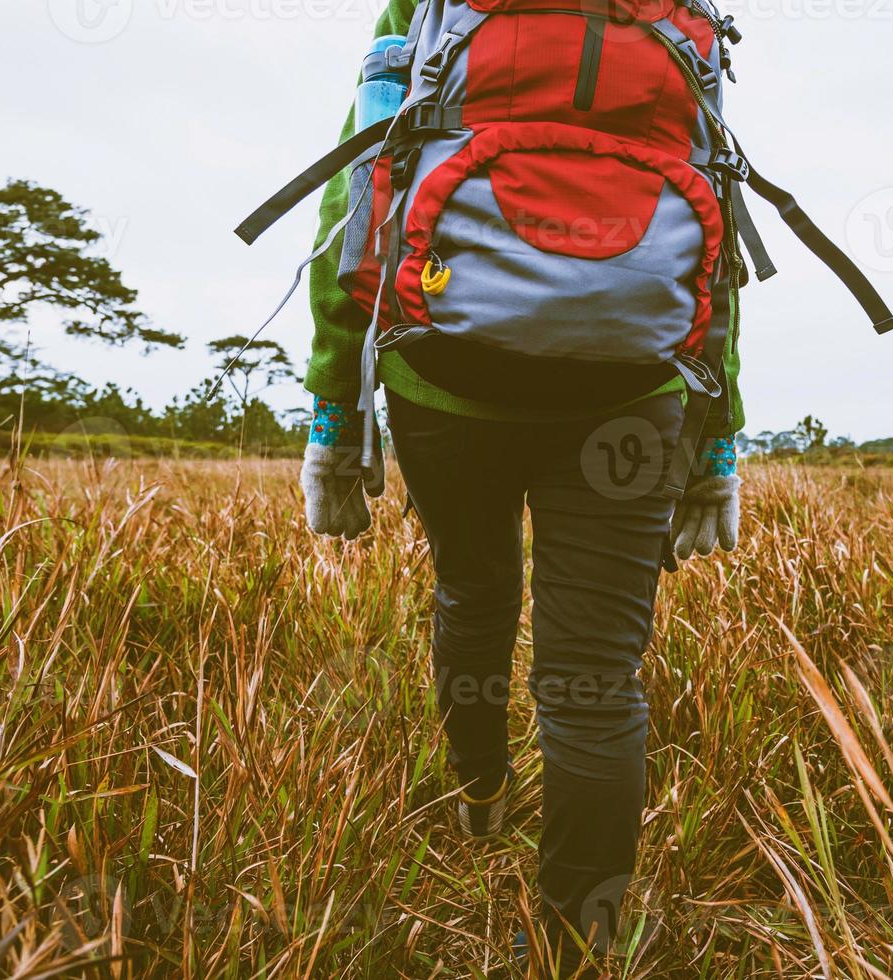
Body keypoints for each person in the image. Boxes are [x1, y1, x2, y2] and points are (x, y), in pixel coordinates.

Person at [297, 0, 743, 971]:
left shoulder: (427, 5)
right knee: (594, 682)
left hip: (445, 376)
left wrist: (336, 417)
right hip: (633, 392)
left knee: (475, 587)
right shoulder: (681, 15)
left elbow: (358, 201)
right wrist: (717, 442)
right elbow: (721, 232)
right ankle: (578, 949)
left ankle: (481, 790)